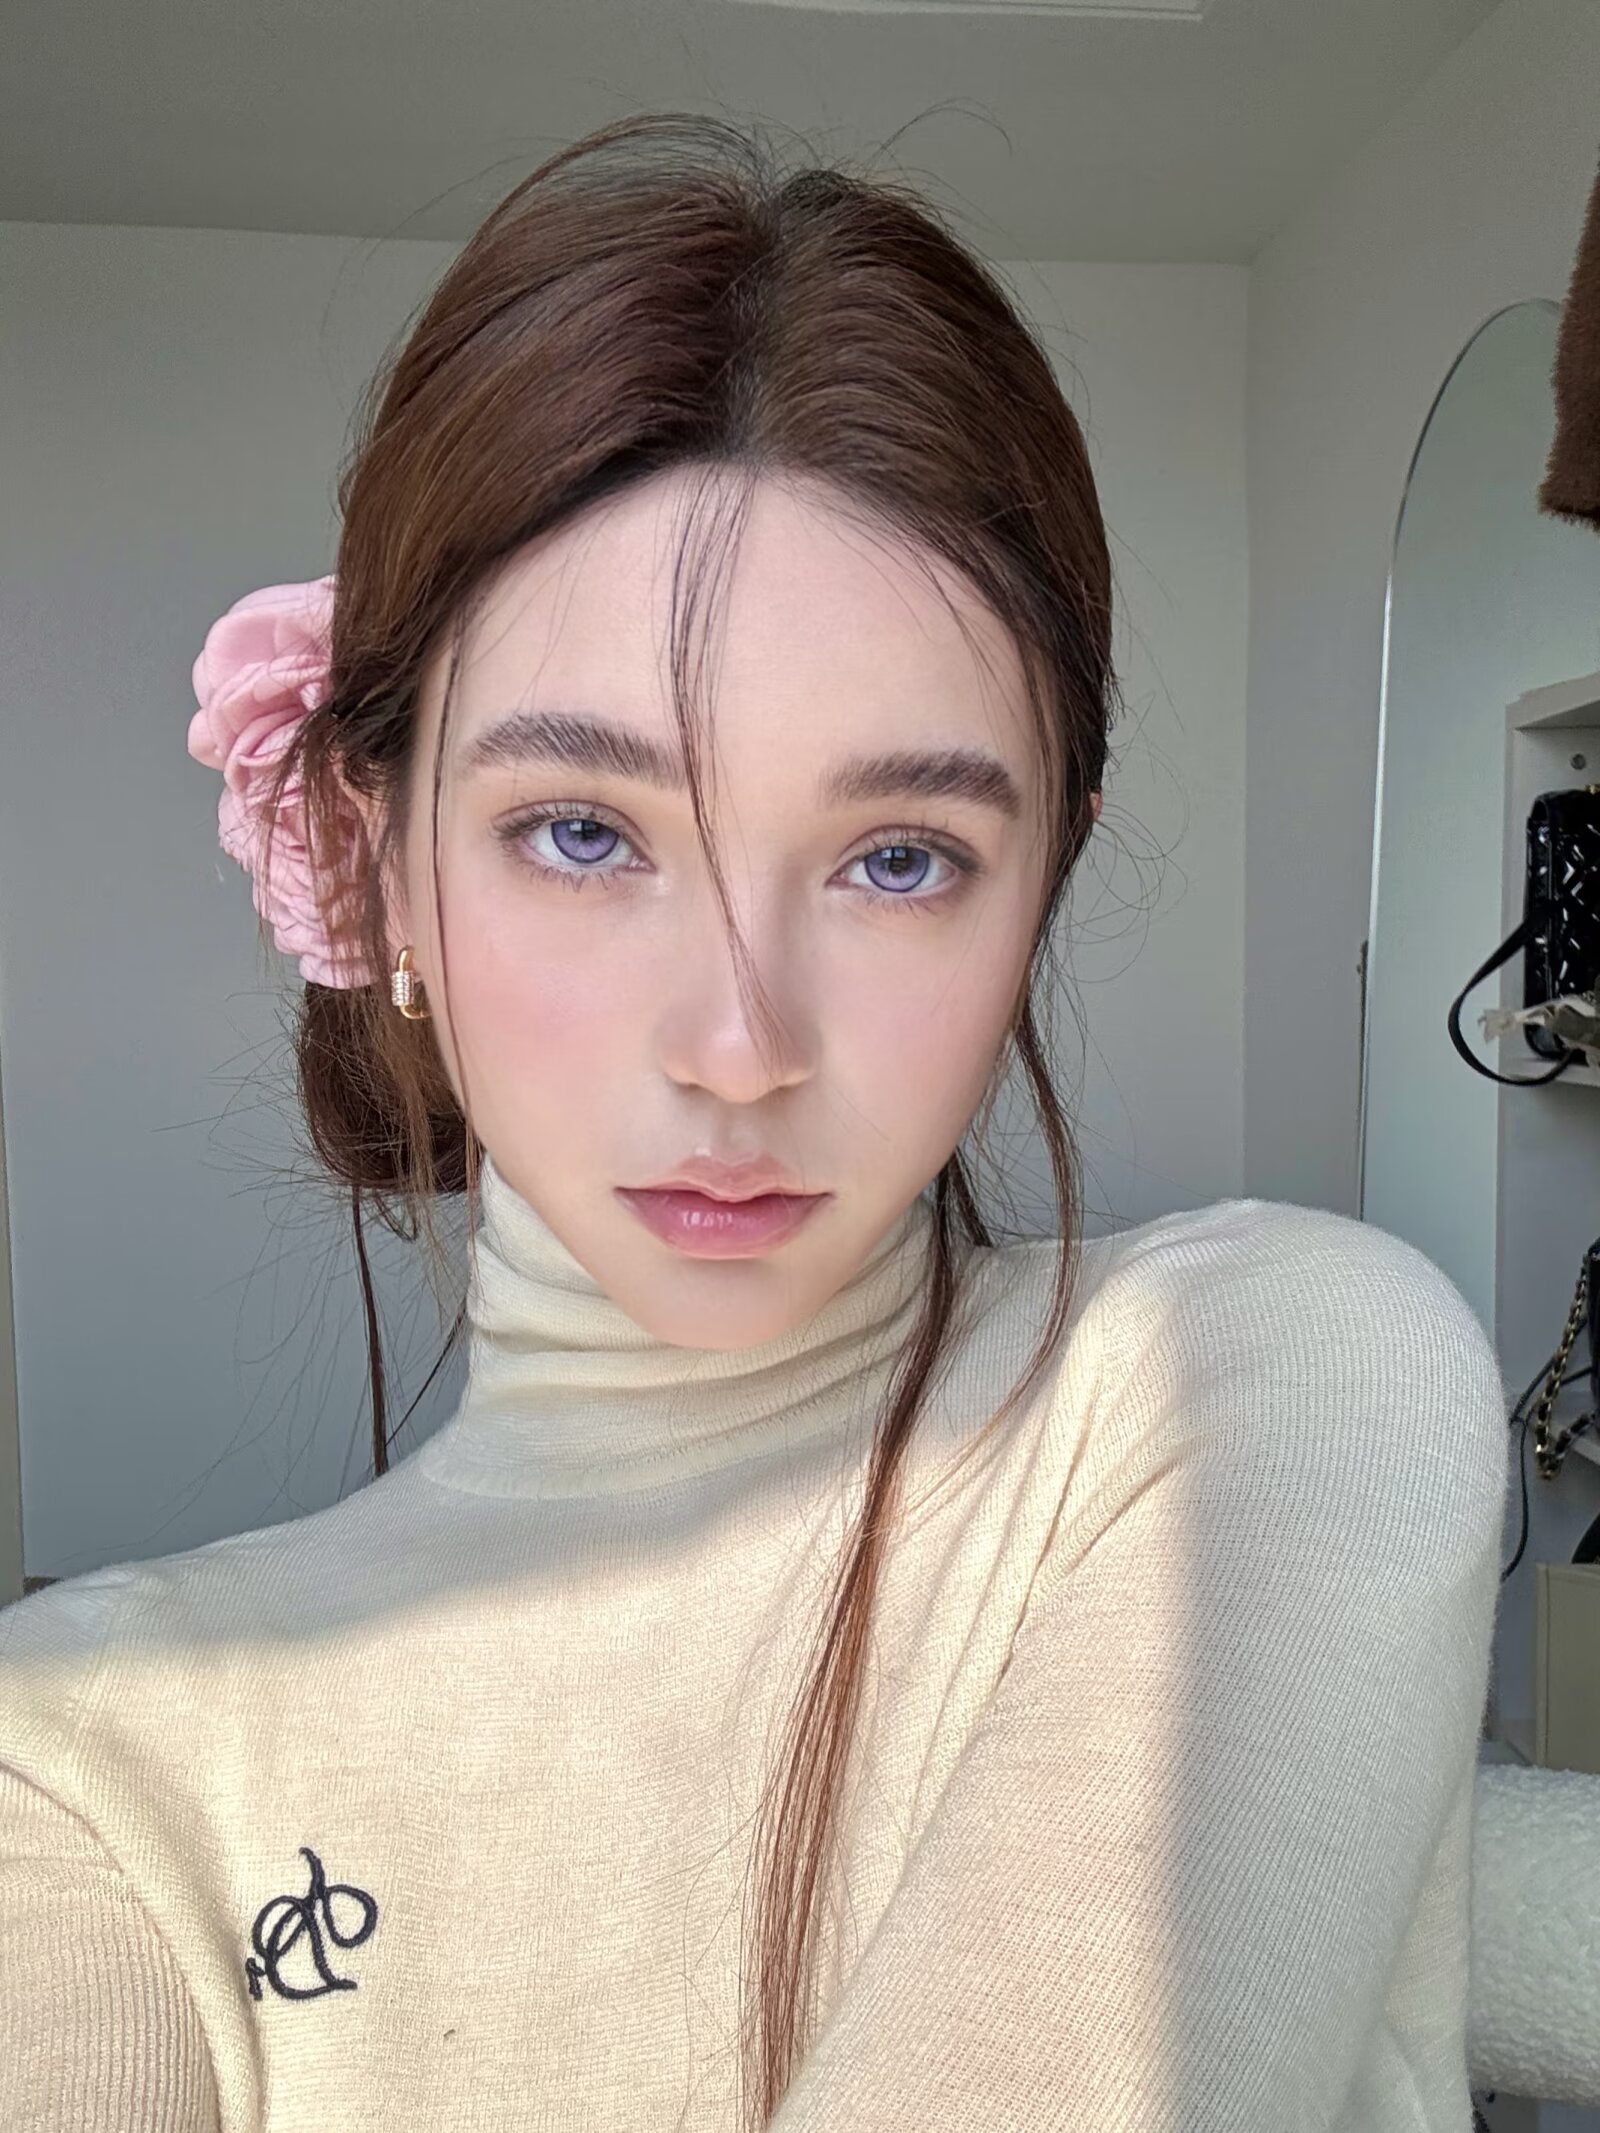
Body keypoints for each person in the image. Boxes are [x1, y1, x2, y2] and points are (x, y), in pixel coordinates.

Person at [0, 113, 1508, 2133]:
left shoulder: (1259, 1377)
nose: (737, 1044)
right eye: (581, 830)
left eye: (898, 857)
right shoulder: (90, 1761)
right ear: (380, 862)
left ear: (1039, 884)